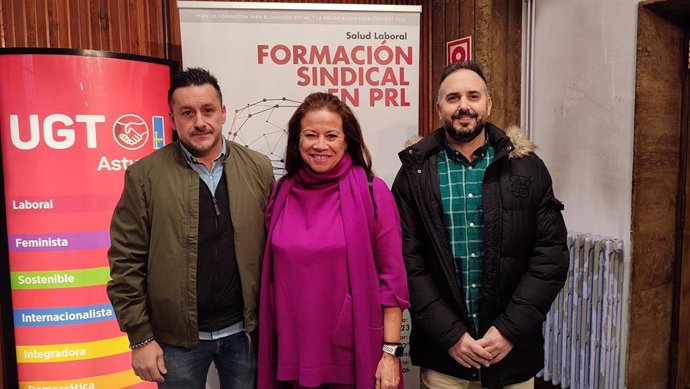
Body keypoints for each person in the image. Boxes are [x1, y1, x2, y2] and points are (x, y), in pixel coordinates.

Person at [391, 61, 568, 389]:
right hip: (446, 357)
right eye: (453, 97)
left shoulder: (528, 168)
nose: (463, 106)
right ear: (439, 108)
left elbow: (549, 257)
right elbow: (407, 263)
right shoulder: (414, 175)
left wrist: (508, 331)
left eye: (473, 96)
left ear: (488, 104)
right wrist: (451, 335)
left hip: (511, 355)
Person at [107, 67, 274, 388]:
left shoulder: (258, 167)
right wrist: (140, 338)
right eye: (187, 113)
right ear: (172, 119)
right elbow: (126, 263)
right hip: (176, 342)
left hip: (246, 336)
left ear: (223, 113)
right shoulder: (144, 177)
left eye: (208, 110)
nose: (199, 122)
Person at [257, 92, 410, 389]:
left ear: (346, 140)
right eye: (310, 134)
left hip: (351, 355)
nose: (320, 145)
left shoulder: (373, 192)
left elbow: (392, 284)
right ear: (297, 140)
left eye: (331, 135)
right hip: (289, 351)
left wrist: (390, 354)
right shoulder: (282, 191)